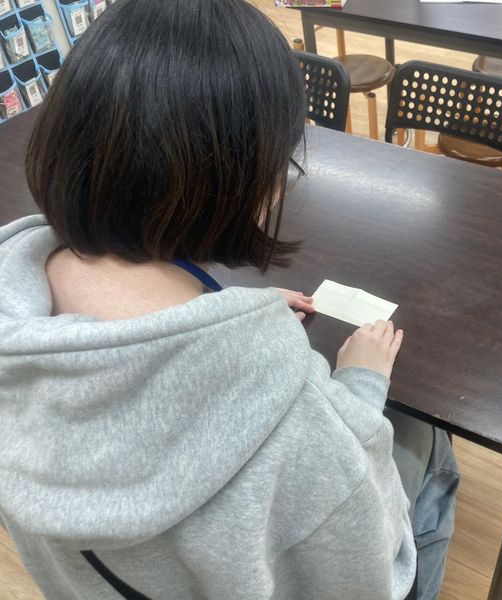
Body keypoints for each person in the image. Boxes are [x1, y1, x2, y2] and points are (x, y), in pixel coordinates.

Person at [0, 1, 459, 598]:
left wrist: (224, 312)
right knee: (428, 442)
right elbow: (371, 578)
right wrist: (362, 385)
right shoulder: (298, 427)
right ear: (251, 180)